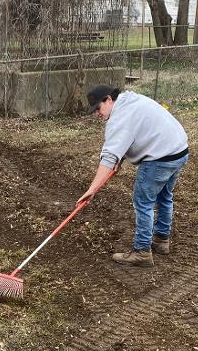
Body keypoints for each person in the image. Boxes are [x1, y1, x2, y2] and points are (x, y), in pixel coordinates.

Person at [77, 85, 189, 267]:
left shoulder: (119, 119)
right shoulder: (130, 101)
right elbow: (130, 136)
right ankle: (161, 241)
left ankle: (142, 252)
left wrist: (92, 189)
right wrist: (118, 161)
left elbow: (110, 156)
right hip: (179, 151)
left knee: (143, 202)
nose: (96, 114)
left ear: (108, 99)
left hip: (160, 157)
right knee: (164, 196)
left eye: (98, 108)